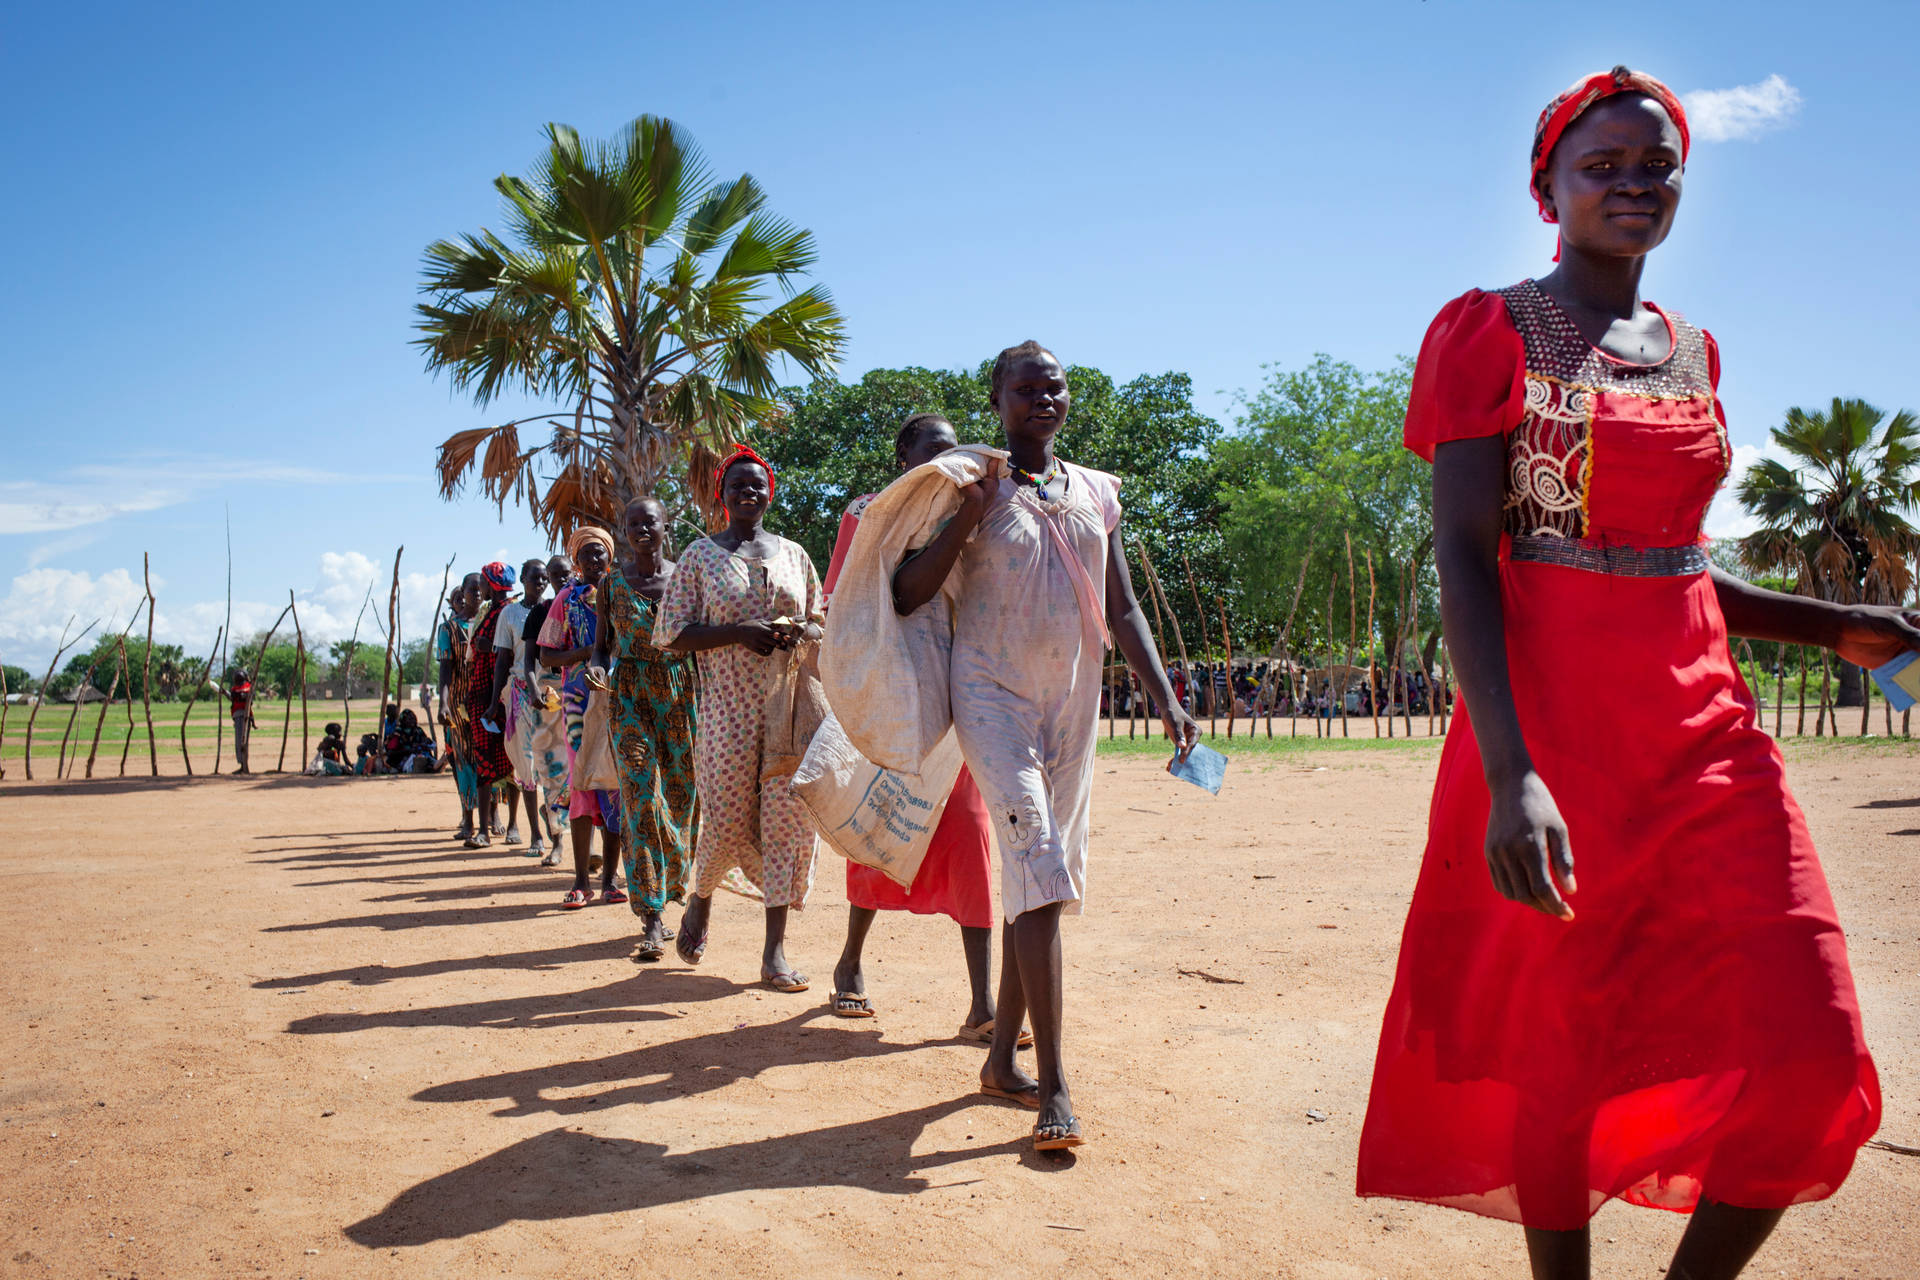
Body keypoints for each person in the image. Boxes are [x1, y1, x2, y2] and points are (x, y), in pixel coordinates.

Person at [1355, 69, 1904, 1280]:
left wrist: (1841, 626)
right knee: (1566, 1041)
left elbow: (1677, 562)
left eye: (1655, 167)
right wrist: (1512, 774)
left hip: (1706, 730)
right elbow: (1467, 555)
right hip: (1552, 740)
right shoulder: (1488, 329)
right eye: (1602, 165)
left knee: (1809, 1032)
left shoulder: (1698, 351)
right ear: (1546, 186)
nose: (1633, 185)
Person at [889, 341, 1197, 1152]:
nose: (1042, 399)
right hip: (990, 701)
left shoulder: (1096, 492)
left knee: (1043, 882)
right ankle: (1055, 1083)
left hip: (1071, 706)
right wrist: (966, 515)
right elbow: (906, 590)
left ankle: (999, 1060)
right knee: (1039, 868)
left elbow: (1122, 606)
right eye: (1024, 389)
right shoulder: (967, 484)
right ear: (996, 400)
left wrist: (1165, 698)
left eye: (1053, 386)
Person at [821, 413, 1007, 1038]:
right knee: (880, 825)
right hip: (893, 695)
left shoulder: (985, 512)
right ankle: (849, 963)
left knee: (969, 835)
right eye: (932, 451)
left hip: (962, 698)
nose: (946, 463)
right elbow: (865, 602)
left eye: (954, 452)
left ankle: (983, 1004)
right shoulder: (869, 514)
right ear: (904, 456)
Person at [656, 446, 824, 992]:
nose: (748, 493)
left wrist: (797, 632)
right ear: (720, 496)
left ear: (770, 493)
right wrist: (738, 632)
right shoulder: (699, 558)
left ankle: (774, 952)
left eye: (758, 486)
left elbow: (821, 620)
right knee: (726, 818)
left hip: (786, 713)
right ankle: (700, 900)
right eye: (738, 486)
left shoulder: (795, 555)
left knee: (785, 820)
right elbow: (671, 634)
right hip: (726, 713)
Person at [594, 497, 699, 961]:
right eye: (632, 522)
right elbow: (601, 647)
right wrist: (598, 668)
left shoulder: (685, 578)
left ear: (664, 526)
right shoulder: (611, 584)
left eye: (648, 522)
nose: (640, 530)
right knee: (639, 794)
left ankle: (675, 885)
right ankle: (651, 916)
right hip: (630, 695)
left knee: (680, 796)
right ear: (624, 529)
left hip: (680, 695)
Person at [539, 529, 625, 908]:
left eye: (600, 554)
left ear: (609, 556)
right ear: (577, 560)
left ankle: (609, 881)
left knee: (615, 786)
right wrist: (587, 651)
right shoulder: (564, 600)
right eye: (587, 555)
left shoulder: (622, 593)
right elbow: (546, 656)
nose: (594, 561)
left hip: (618, 699)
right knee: (582, 784)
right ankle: (579, 881)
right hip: (576, 702)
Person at [491, 556, 560, 861]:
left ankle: (554, 824)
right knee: (528, 765)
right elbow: (503, 660)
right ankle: (535, 834)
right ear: (522, 579)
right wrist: (495, 701)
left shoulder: (554, 609)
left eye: (545, 578)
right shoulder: (509, 614)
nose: (541, 583)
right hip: (520, 695)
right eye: (535, 578)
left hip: (553, 696)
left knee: (554, 766)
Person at [462, 563, 521, 848]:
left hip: (502, 693)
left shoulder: (510, 612)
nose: (480, 589)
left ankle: (512, 826)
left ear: (491, 585)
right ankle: (484, 830)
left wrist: (491, 648)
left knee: (513, 759)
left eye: (483, 583)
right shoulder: (487, 612)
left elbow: (516, 651)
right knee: (484, 760)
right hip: (482, 693)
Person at [521, 553, 572, 867]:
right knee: (552, 772)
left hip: (582, 693)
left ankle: (589, 847)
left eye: (565, 573)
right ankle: (557, 842)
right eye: (555, 575)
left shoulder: (588, 604)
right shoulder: (540, 612)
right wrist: (533, 690)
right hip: (548, 697)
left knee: (583, 772)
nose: (561, 579)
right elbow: (529, 660)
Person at [435, 580, 480, 840]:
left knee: (488, 756)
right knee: (463, 760)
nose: (467, 598)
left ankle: (492, 814)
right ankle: (469, 818)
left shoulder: (488, 622)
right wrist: (443, 704)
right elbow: (445, 670)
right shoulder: (449, 629)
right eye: (461, 595)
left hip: (486, 699)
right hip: (459, 702)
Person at [225, 668, 256, 774]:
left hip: (243, 716)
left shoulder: (247, 687)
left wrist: (241, 696)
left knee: (242, 741)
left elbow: (249, 698)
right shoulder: (235, 689)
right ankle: (242, 764)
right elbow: (234, 697)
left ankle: (244, 765)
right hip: (238, 716)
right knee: (239, 742)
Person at [385, 709, 436, 773]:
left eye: (414, 718)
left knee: (427, 759)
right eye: (410, 719)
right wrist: (408, 750)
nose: (413, 720)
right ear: (403, 720)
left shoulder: (418, 730)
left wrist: (427, 742)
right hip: (404, 759)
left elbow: (427, 742)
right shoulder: (398, 733)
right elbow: (390, 752)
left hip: (421, 755)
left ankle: (433, 765)